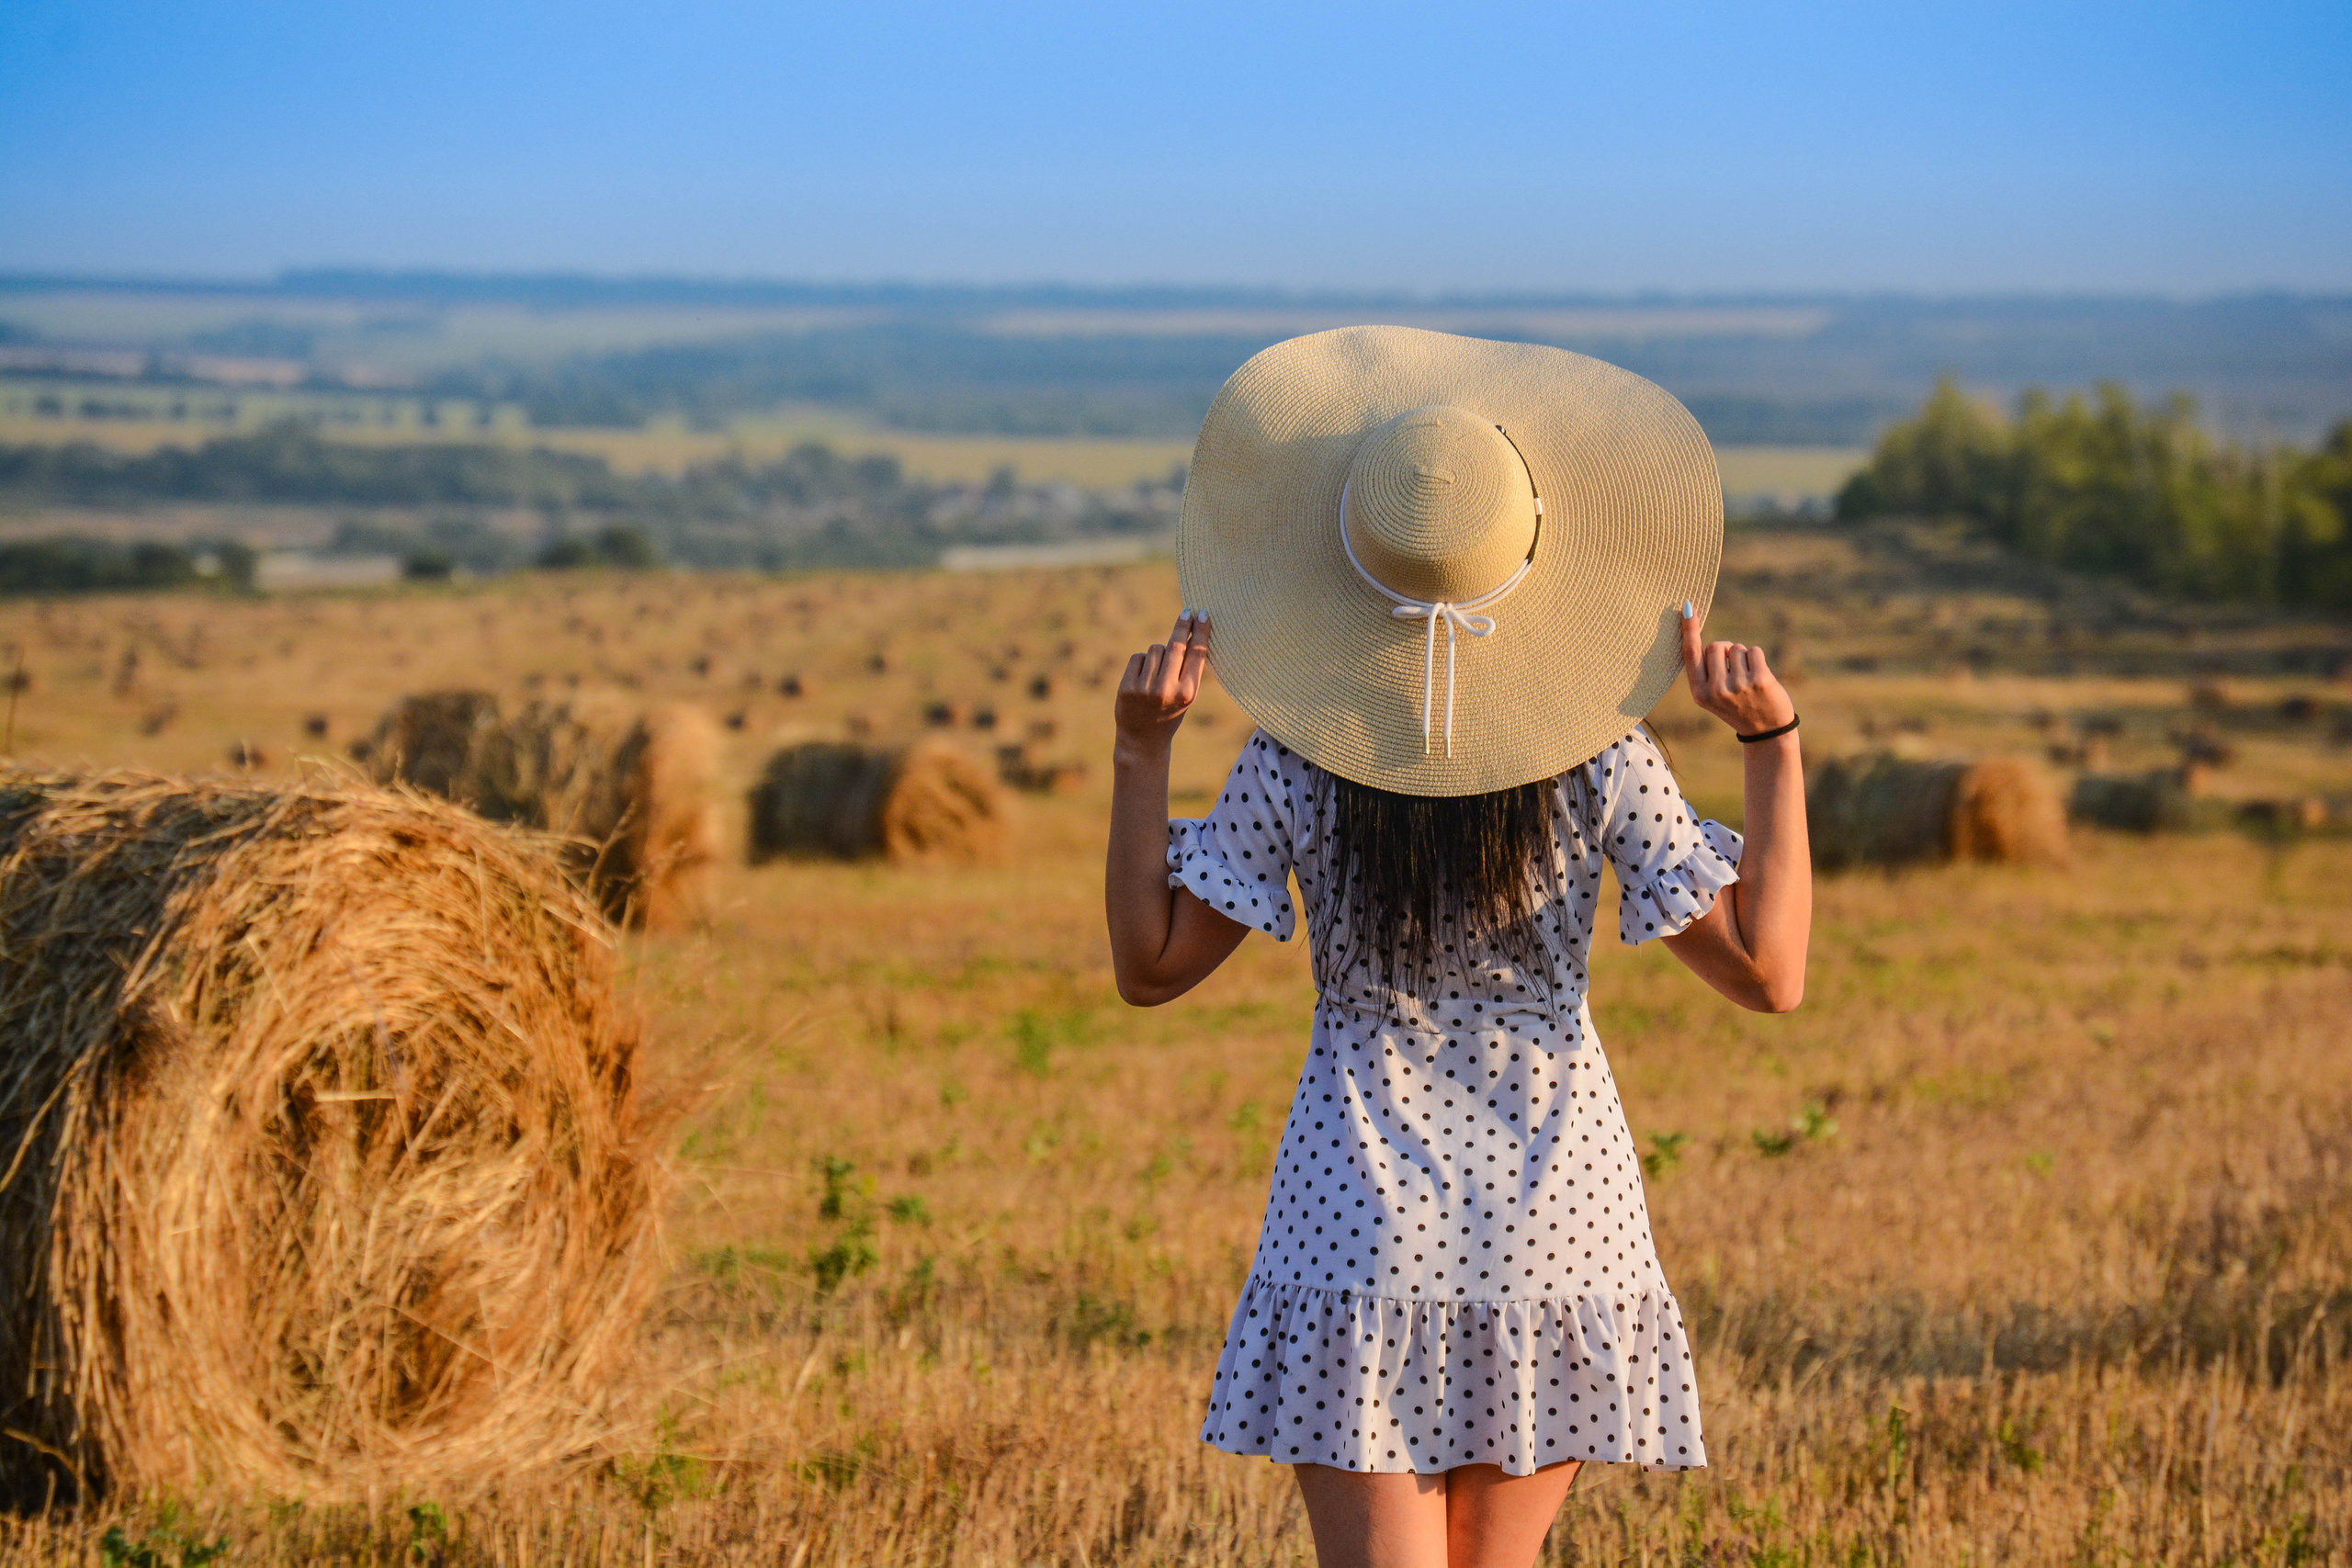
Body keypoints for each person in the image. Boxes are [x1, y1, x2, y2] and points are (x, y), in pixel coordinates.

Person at [1102, 328, 1810, 1568]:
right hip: (1556, 1210)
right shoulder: (1602, 762)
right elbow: (1772, 973)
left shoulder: (1297, 758)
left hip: (1355, 1212)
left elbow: (1150, 967)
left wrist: (1138, 752)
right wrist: (1775, 746)